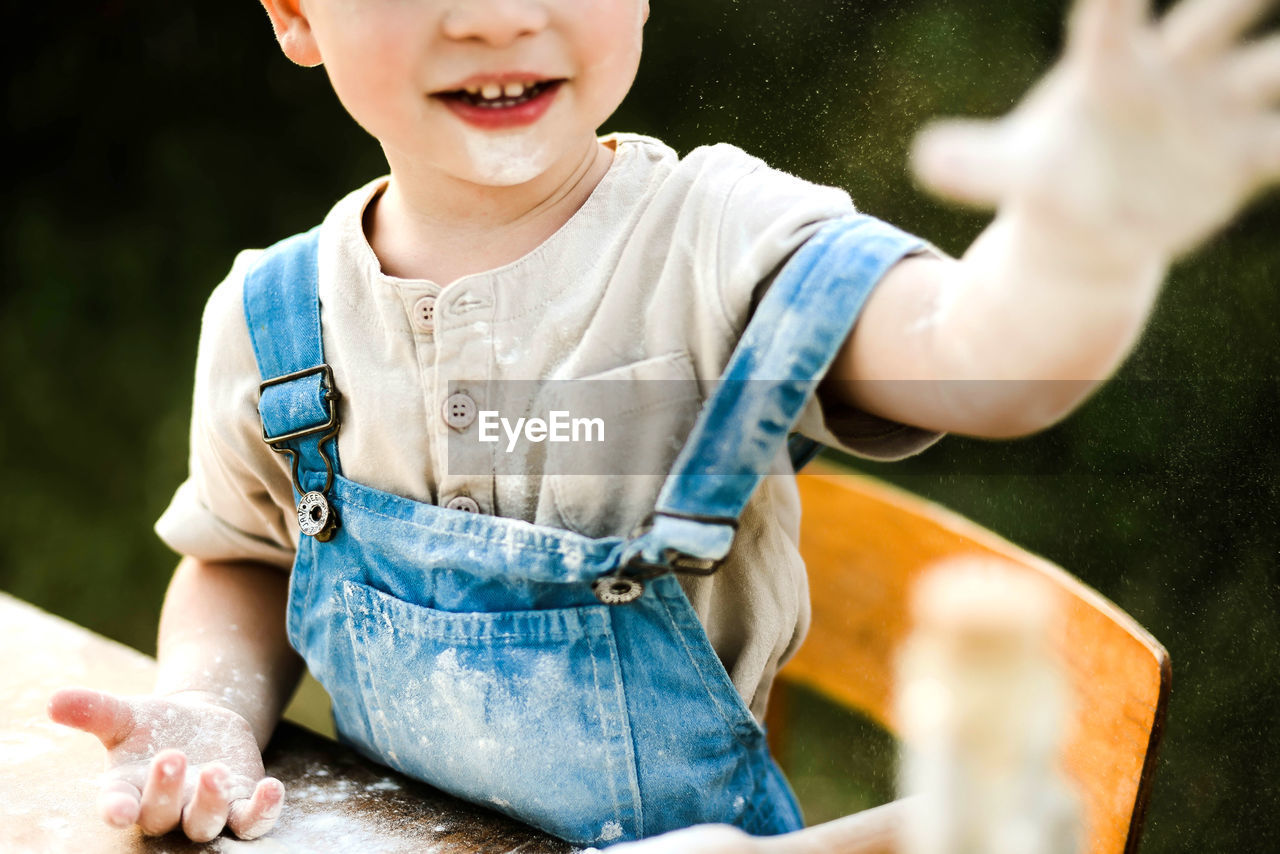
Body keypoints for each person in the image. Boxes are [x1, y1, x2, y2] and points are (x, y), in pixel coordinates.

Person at [47, 0, 1277, 849]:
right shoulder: (277, 320)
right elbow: (242, 557)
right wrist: (213, 701)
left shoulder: (717, 246)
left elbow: (983, 360)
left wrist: (1082, 238)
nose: (497, 13)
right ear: (294, 14)